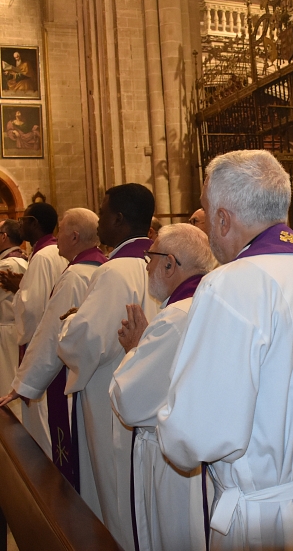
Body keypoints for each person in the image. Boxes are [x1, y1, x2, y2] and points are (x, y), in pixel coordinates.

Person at [157, 150, 293, 550]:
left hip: (271, 520)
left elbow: (192, 434)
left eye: (206, 214)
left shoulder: (231, 284)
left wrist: (169, 419)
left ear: (222, 218)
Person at [57, 184, 159, 551]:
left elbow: (84, 342)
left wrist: (68, 323)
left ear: (118, 218)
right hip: (146, 392)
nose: (98, 219)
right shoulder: (157, 262)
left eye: (103, 211)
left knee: (115, 492)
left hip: (110, 395)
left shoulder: (115, 271)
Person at [110, 224, 217, 551]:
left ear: (170, 264)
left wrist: (134, 351)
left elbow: (129, 400)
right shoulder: (210, 302)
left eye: (151, 257)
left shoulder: (173, 318)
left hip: (173, 462)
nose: (146, 265)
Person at [0, 209, 106, 513]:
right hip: (95, 373)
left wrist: (23, 384)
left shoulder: (70, 271)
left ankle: (67, 511)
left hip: (70, 371)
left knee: (67, 449)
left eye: (62, 230)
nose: (57, 236)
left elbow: (46, 326)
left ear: (74, 236)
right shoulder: (102, 266)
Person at [11, 203, 68, 456]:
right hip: (55, 343)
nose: (19, 224)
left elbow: (32, 308)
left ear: (34, 223)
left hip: (42, 344)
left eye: (23, 220)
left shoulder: (43, 256)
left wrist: (17, 295)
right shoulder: (53, 251)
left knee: (41, 420)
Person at [0, 219, 28, 419]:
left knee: (7, 385)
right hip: (14, 331)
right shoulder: (23, 260)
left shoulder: (8, 264)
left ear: (3, 237)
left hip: (6, 334)